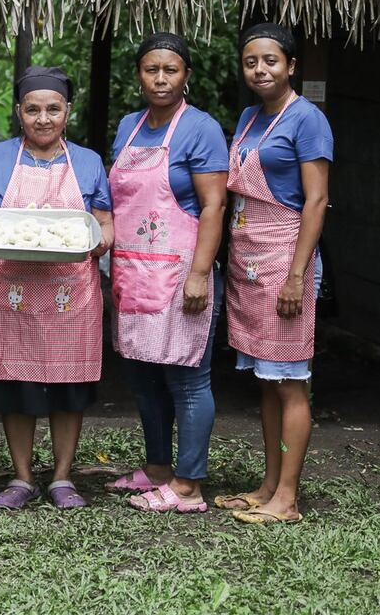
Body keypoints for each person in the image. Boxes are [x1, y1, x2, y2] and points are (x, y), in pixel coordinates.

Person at [0, 66, 113, 510]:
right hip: (11, 289)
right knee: (17, 385)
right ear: (19, 112)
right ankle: (23, 477)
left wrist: (103, 238)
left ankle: (63, 478)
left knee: (68, 387)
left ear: (68, 111)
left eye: (53, 109)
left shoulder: (87, 161)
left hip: (71, 292)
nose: (43, 119)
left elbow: (103, 221)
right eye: (33, 110)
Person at [106, 33, 229, 514]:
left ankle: (187, 486)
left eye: (171, 70)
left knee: (187, 379)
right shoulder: (129, 127)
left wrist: (200, 273)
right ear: (139, 75)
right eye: (151, 69)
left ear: (186, 76)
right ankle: (156, 468)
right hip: (133, 271)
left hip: (180, 273)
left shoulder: (200, 129)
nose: (160, 78)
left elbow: (214, 205)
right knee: (142, 376)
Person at [216, 22, 332, 525]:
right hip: (248, 260)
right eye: (250, 62)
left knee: (289, 382)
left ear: (291, 65)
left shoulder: (306, 119)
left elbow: (317, 200)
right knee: (267, 381)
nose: (260, 70)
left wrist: (296, 275)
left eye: (270, 61)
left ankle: (287, 499)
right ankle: (267, 485)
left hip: (286, 258)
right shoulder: (248, 116)